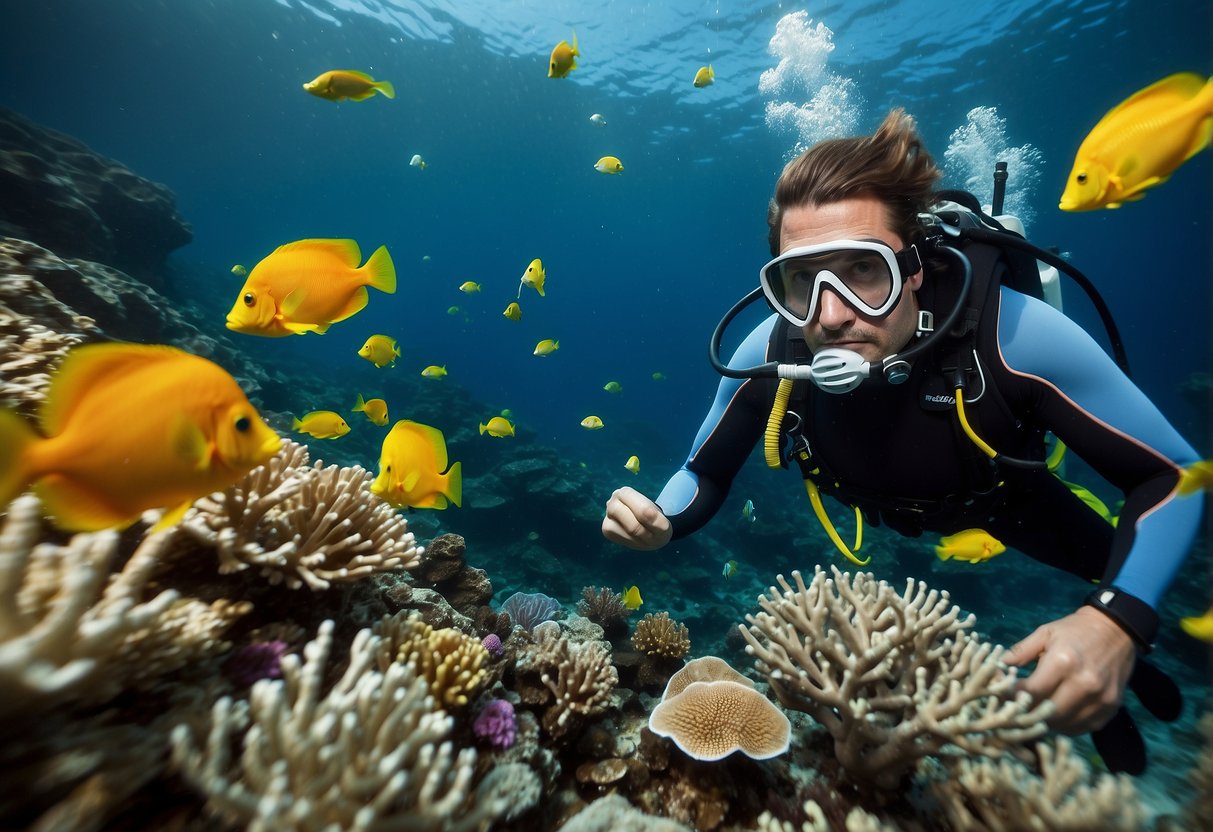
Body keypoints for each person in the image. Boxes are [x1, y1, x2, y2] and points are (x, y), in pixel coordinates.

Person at [601, 108, 1204, 773]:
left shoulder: (1016, 338)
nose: (828, 316)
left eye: (862, 271)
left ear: (913, 268)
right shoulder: (771, 348)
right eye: (801, 280)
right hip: (904, 505)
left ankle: (1121, 664)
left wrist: (1116, 622)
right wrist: (662, 520)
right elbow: (703, 471)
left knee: (1117, 586)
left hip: (1005, 500)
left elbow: (1172, 474)